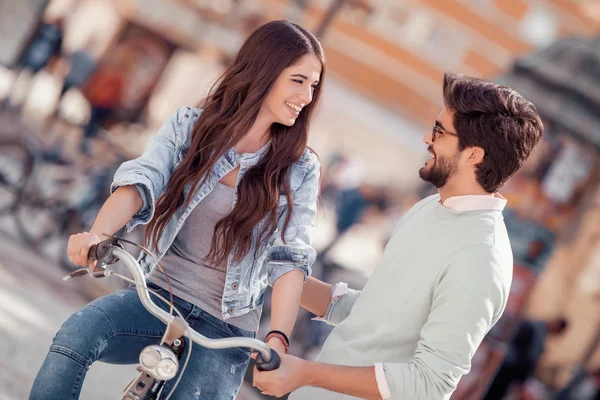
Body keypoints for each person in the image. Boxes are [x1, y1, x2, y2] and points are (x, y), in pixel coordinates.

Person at [29, 20, 325, 400]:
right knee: (76, 336)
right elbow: (142, 181)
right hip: (158, 301)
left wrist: (278, 337)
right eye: (298, 80)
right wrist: (98, 236)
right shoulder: (191, 127)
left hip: (225, 330)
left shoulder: (300, 169)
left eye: (313, 85)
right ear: (265, 71)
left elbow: (289, 257)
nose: (307, 95)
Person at [253, 73, 544, 399]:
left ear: (473, 154)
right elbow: (375, 319)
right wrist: (272, 268)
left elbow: (428, 385)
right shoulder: (430, 207)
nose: (426, 138)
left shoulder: (481, 257)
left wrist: (306, 372)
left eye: (439, 131)